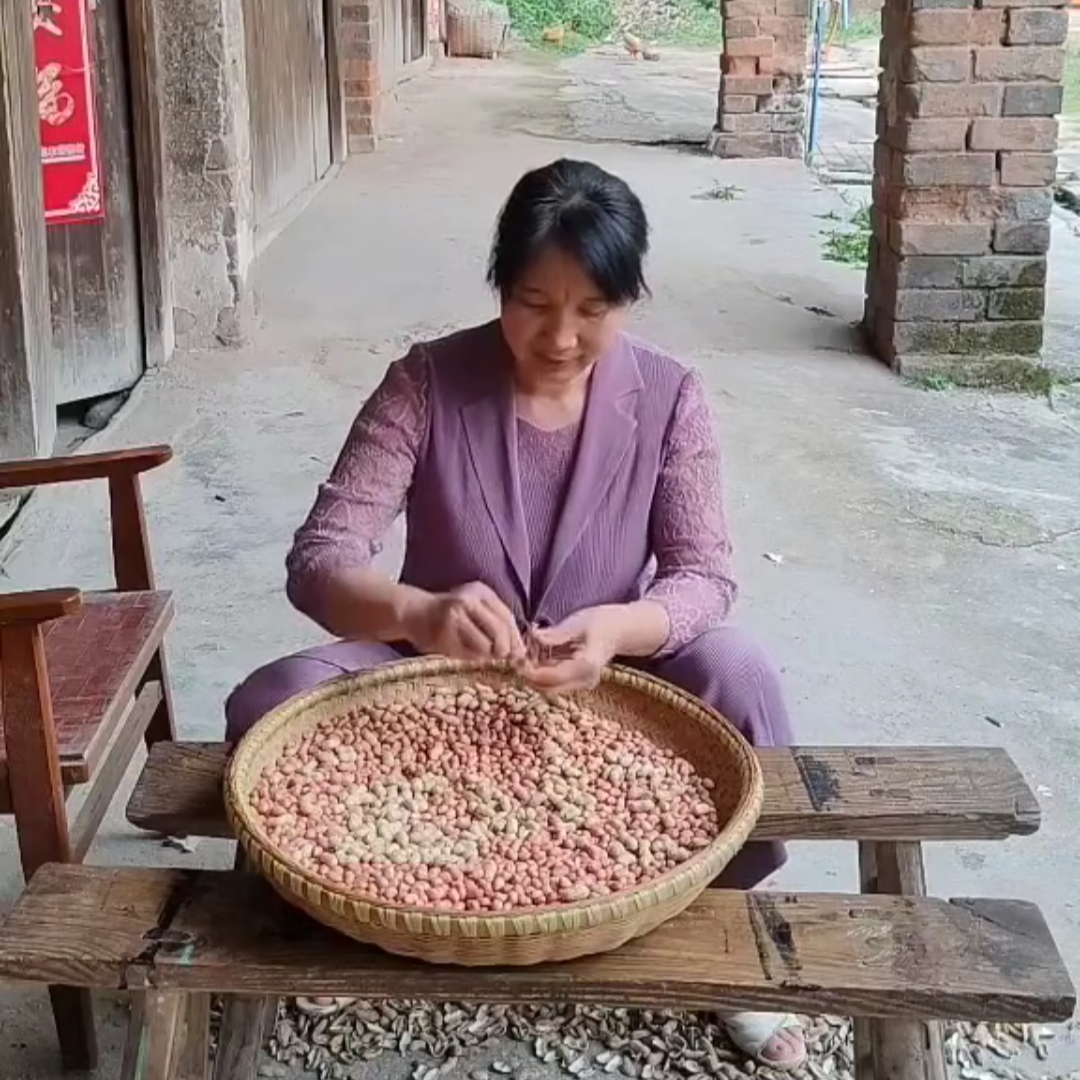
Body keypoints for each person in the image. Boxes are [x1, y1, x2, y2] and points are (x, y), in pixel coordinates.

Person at [226, 159, 803, 1069]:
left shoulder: (671, 396)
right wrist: (418, 610)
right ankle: (348, 909)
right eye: (535, 302)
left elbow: (704, 576)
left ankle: (723, 937)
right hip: (434, 678)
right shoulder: (424, 382)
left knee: (744, 675)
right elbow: (322, 557)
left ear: (631, 298)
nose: (563, 336)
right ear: (499, 285)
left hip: (613, 679)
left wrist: (615, 629)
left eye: (594, 309)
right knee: (272, 699)